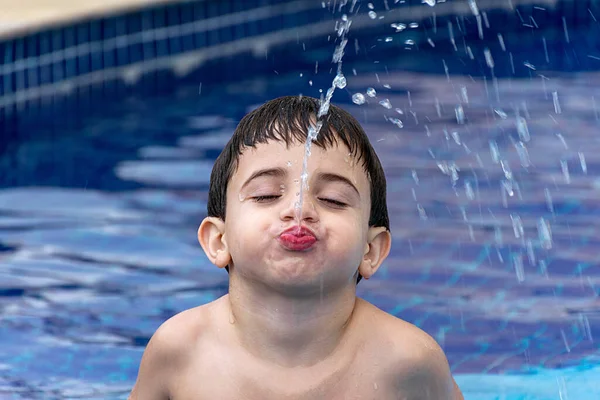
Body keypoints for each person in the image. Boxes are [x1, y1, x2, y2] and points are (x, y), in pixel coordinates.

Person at [128, 95, 464, 399]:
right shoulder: (181, 349)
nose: (300, 209)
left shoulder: (406, 360)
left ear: (371, 249)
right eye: (267, 195)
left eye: (333, 199)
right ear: (219, 240)